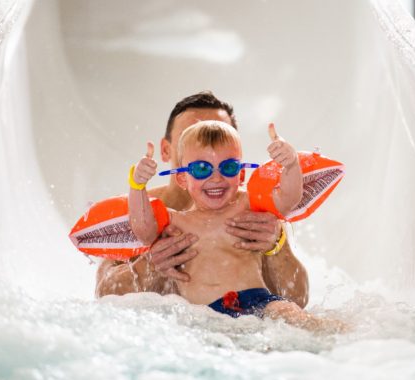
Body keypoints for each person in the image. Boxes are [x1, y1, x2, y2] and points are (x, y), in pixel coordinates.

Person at [95, 92, 309, 308]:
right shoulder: (146, 212)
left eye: (219, 137)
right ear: (167, 151)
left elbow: (298, 300)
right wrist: (148, 265)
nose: (214, 173)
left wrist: (276, 246)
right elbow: (104, 296)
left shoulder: (252, 214)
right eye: (195, 137)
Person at [128, 120, 339, 330]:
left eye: (228, 167)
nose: (216, 178)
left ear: (241, 175)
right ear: (182, 178)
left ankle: (339, 336)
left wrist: (291, 164)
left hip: (259, 301)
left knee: (287, 312)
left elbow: (288, 198)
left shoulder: (248, 206)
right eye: (202, 169)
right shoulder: (177, 223)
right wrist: (137, 185)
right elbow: (143, 229)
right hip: (204, 315)